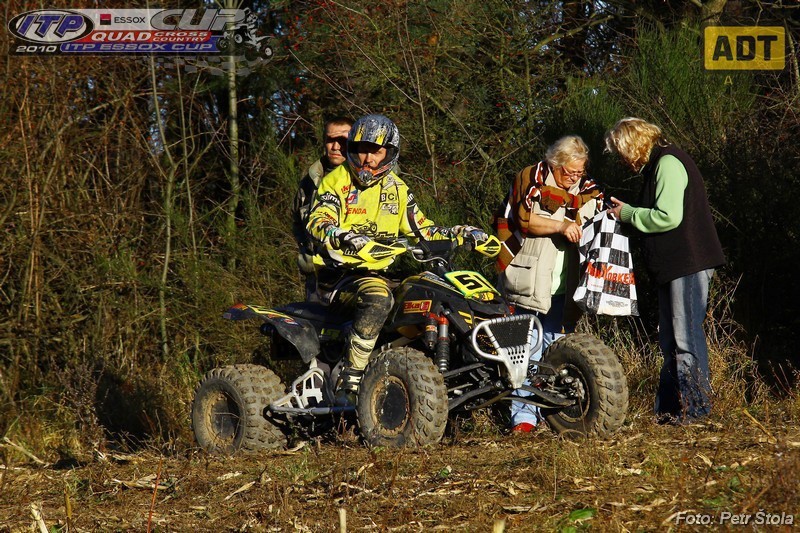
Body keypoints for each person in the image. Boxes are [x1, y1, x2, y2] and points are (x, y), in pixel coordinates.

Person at [306, 114, 488, 405]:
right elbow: (318, 220)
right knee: (378, 297)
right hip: (339, 277)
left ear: (389, 153)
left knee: (431, 292)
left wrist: (460, 233)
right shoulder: (335, 181)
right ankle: (351, 380)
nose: (367, 159)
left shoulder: (397, 188)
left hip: (382, 274)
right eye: (361, 149)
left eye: (375, 151)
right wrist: (340, 234)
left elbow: (423, 229)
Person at [605, 117, 726, 424]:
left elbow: (668, 217)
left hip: (686, 262)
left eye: (621, 152)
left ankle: (695, 411)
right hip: (675, 265)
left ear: (632, 145)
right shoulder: (661, 163)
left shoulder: (668, 163)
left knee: (686, 339)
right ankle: (670, 412)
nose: (622, 160)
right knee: (671, 341)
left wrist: (627, 213)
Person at [495, 136, 604, 433]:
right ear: (555, 163)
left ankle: (550, 414)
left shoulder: (586, 189)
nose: (575, 178)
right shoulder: (530, 178)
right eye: (569, 172)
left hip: (562, 284)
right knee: (522, 349)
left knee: (554, 350)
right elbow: (524, 220)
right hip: (527, 278)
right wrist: (561, 225)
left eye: (579, 172)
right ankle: (523, 418)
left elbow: (597, 215)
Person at [292, 116, 353, 301]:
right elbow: (297, 219)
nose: (335, 147)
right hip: (319, 278)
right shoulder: (310, 181)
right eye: (330, 140)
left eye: (342, 140)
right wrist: (307, 253)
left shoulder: (371, 179)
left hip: (358, 274)